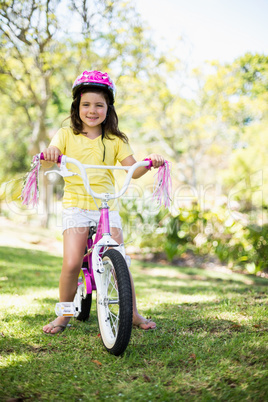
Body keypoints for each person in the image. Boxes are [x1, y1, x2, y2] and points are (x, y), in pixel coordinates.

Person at [42, 70, 164, 334]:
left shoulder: (116, 141)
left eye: (99, 105)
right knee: (72, 263)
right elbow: (53, 156)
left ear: (108, 109)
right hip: (76, 205)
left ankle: (131, 313)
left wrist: (149, 161)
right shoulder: (65, 134)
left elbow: (134, 169)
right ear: (77, 107)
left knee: (120, 258)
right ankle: (63, 315)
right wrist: (52, 153)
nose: (92, 110)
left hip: (105, 206)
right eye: (86, 104)